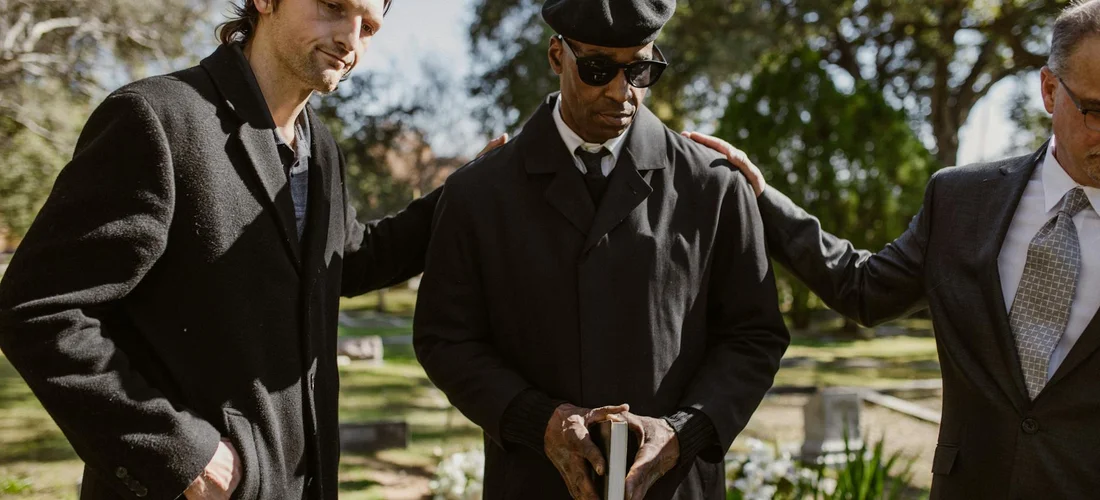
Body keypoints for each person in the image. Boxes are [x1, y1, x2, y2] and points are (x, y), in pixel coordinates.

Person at [0, 0, 504, 498]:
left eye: (368, 26)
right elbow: (39, 310)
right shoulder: (156, 118)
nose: (350, 40)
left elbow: (347, 260)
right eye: (332, 6)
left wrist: (459, 198)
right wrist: (180, 450)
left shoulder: (321, 148)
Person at [687, 1, 1100, 497]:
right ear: (1050, 91)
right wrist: (759, 198)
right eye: (1097, 111)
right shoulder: (960, 200)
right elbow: (862, 288)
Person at [412, 1, 791, 499]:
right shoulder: (476, 192)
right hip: (532, 485)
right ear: (556, 56)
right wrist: (539, 423)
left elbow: (753, 336)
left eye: (640, 69)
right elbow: (446, 338)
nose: (621, 91)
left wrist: (684, 432)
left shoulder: (715, 187)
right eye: (597, 69)